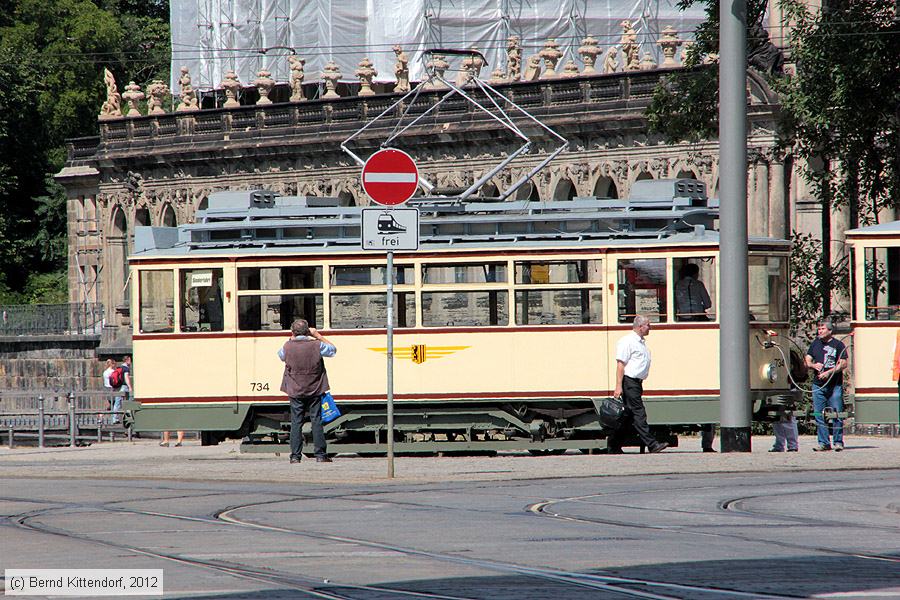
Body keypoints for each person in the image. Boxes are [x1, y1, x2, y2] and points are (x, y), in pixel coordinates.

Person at [278, 318, 337, 464]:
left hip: (295, 390)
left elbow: (281, 356)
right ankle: (320, 455)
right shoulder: (317, 345)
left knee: (296, 422)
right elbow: (333, 350)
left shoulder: (287, 346)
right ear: (308, 331)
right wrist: (318, 335)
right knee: (316, 420)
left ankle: (295, 456)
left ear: (293, 332)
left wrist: (292, 337)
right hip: (315, 389)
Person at [608, 315, 668, 453]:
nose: (650, 327)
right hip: (629, 382)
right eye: (648, 325)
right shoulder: (627, 341)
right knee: (639, 413)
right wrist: (618, 386)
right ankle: (652, 444)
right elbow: (620, 365)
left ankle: (613, 445)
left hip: (636, 383)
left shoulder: (640, 342)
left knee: (628, 416)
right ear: (640, 327)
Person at [805, 319, 848, 451]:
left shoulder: (838, 345)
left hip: (834, 385)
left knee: (837, 414)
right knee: (819, 415)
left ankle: (838, 442)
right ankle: (823, 443)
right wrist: (813, 365)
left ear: (830, 331)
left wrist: (829, 372)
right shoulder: (815, 344)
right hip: (818, 385)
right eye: (819, 329)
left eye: (822, 329)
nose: (820, 331)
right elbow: (807, 360)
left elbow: (843, 364)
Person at [101, 358, 123, 424]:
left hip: (106, 388)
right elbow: (115, 381)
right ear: (112, 364)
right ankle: (114, 418)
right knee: (116, 403)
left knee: (111, 404)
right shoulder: (112, 372)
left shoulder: (105, 372)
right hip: (112, 389)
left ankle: (102, 415)